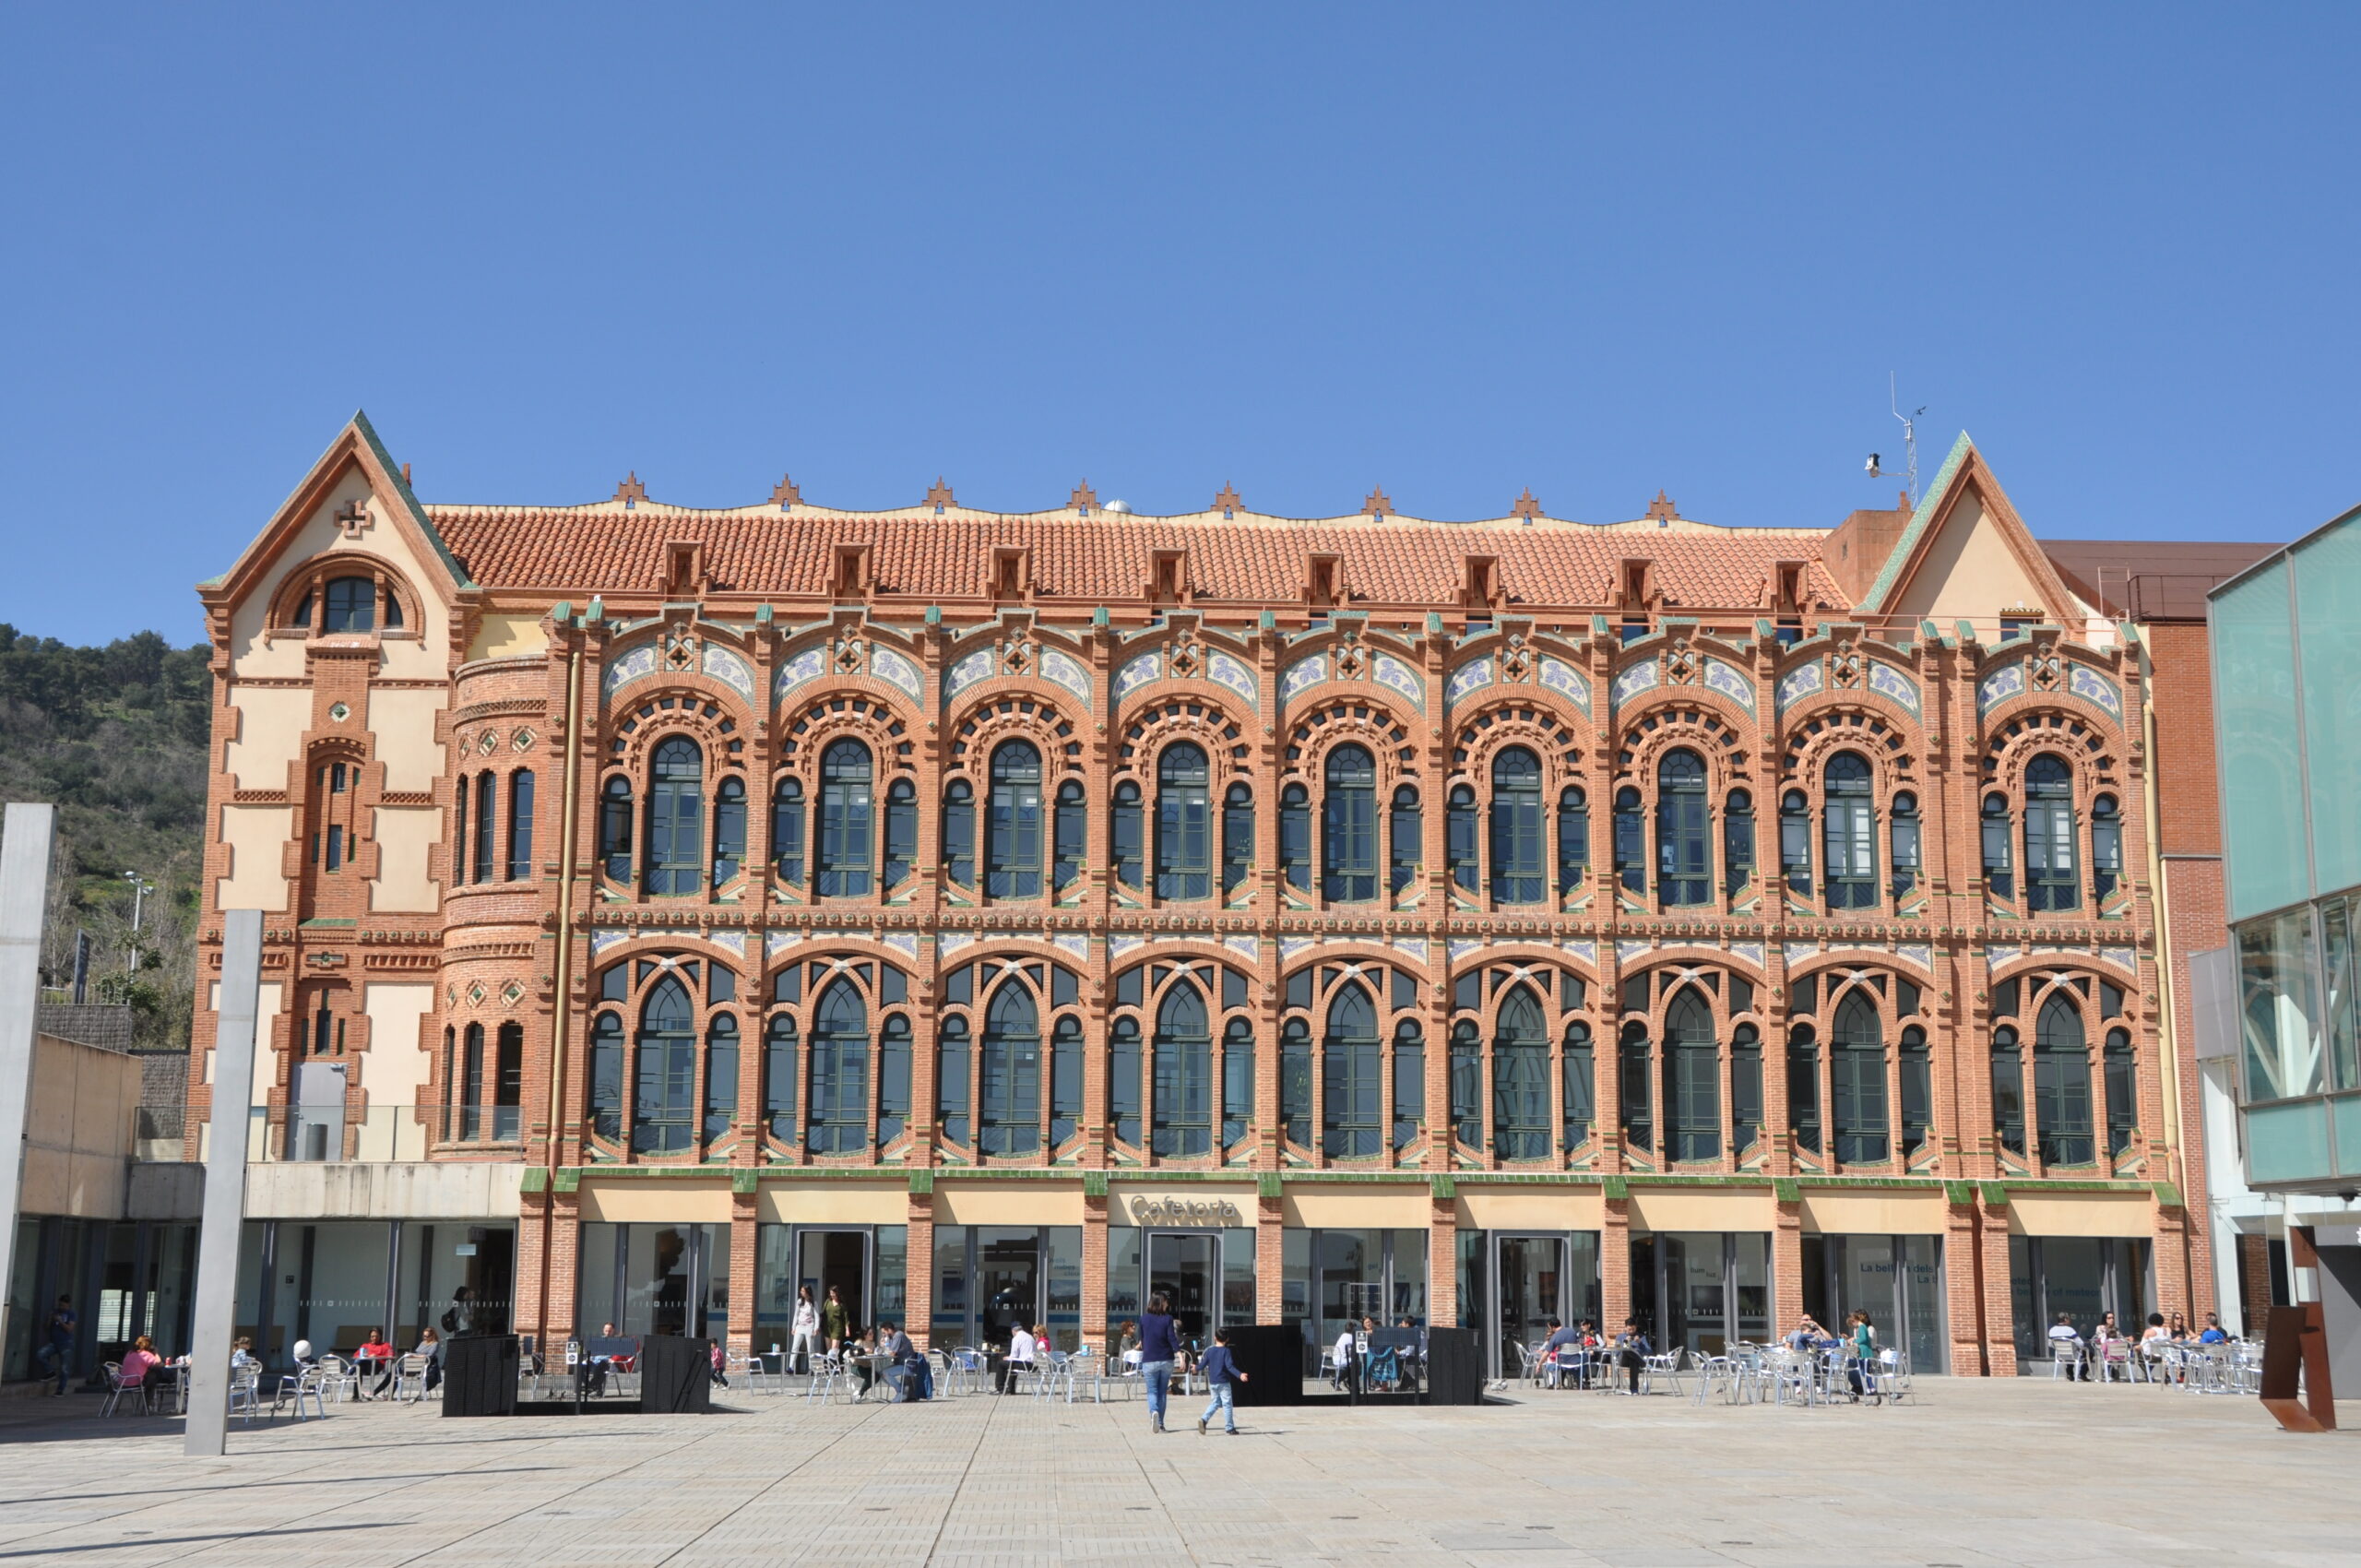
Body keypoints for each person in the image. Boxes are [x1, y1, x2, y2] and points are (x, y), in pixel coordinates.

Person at [1195, 1326, 1250, 1435]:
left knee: (1215, 1403)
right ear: (1227, 1339)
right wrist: (1240, 1375)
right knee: (1227, 1404)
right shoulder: (1226, 1351)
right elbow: (1229, 1367)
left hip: (1213, 1382)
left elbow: (1203, 1364)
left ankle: (1204, 1419)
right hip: (1223, 1382)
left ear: (1215, 1338)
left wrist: (1195, 1368)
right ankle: (1230, 1428)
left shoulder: (1209, 1351)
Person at [1138, 1292, 1180, 1432]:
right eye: (1166, 1302)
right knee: (1162, 1392)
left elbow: (1142, 1340)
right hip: (1166, 1359)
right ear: (1161, 1303)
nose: (1168, 1304)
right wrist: (1179, 1354)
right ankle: (1161, 1424)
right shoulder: (1168, 1319)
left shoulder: (1143, 1319)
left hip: (1149, 1360)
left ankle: (1154, 1412)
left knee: (1152, 1392)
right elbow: (1171, 1338)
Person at [879, 1320, 931, 1401]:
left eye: (884, 1332)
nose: (883, 1335)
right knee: (881, 1374)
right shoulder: (891, 1338)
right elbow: (890, 1351)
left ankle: (901, 1392)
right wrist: (884, 1345)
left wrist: (884, 1346)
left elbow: (892, 1353)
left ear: (889, 1330)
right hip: (901, 1364)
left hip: (908, 1366)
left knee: (885, 1373)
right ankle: (902, 1390)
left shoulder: (898, 1335)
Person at [35, 1294, 76, 1396]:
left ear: (68, 1305)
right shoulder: (55, 1312)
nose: (61, 1307)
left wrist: (60, 1321)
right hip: (54, 1343)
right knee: (40, 1355)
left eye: (64, 1306)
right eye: (60, 1305)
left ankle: (60, 1390)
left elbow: (69, 1329)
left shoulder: (71, 1314)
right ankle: (51, 1371)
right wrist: (50, 1319)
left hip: (66, 1344)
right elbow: (46, 1327)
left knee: (64, 1368)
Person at [1538, 1316, 1581, 1389]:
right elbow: (1578, 1343)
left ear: (1553, 1327)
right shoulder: (1571, 1331)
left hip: (1563, 1361)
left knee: (1557, 1361)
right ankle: (1579, 1379)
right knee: (1586, 1358)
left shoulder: (1555, 1337)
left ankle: (1556, 1382)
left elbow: (1547, 1353)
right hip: (1576, 1360)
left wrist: (1539, 1364)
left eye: (1549, 1327)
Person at [1612, 1316, 1651, 1394]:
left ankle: (1634, 1390)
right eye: (1629, 1329)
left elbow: (1649, 1351)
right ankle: (1643, 1363)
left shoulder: (1641, 1337)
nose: (1631, 1331)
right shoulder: (1620, 1337)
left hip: (1634, 1360)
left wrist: (1640, 1342)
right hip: (1623, 1360)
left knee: (1634, 1361)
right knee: (1627, 1350)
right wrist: (1626, 1342)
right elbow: (1616, 1352)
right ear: (1625, 1327)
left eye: (1633, 1329)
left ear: (1636, 1327)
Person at [790, 1286, 821, 1375]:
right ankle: (791, 1367)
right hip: (800, 1326)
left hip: (809, 1327)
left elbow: (817, 1316)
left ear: (807, 1292)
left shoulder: (813, 1303)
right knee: (795, 1347)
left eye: (803, 1291)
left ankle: (811, 1369)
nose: (801, 1293)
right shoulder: (799, 1302)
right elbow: (796, 1315)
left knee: (810, 1349)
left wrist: (816, 1328)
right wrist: (793, 1327)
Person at [357, 1328, 397, 1396]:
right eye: (372, 1336)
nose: (374, 1338)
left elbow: (391, 1355)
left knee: (357, 1365)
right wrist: (369, 1356)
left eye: (377, 1336)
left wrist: (376, 1356)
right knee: (358, 1366)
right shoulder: (365, 1346)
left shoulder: (385, 1346)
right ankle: (356, 1395)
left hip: (377, 1366)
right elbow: (356, 1355)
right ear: (370, 1337)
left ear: (380, 1336)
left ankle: (349, 1372)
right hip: (365, 1366)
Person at [2047, 1312, 2086, 1379]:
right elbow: (2081, 1343)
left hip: (2060, 1355)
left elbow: (2050, 1344)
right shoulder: (2070, 1330)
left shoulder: (2052, 1330)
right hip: (2072, 1354)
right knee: (2089, 1355)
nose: (2070, 1320)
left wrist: (2059, 1348)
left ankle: (2070, 1373)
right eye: (2069, 1319)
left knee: (2071, 1352)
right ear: (2065, 1319)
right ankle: (2082, 1374)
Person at [1003, 1321, 1038, 1393]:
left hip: (1025, 1364)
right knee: (1012, 1364)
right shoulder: (1030, 1336)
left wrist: (1008, 1358)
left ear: (1013, 1330)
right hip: (1034, 1365)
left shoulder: (1016, 1338)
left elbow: (1014, 1355)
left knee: (1001, 1364)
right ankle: (1011, 1389)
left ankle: (1000, 1387)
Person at [821, 1285, 851, 1352]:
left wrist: (847, 1330)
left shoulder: (842, 1304)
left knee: (834, 1348)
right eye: (830, 1293)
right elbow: (823, 1313)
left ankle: (833, 1361)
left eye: (833, 1293)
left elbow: (846, 1317)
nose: (831, 1295)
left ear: (837, 1293)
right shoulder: (828, 1301)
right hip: (827, 1327)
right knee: (829, 1348)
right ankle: (831, 1362)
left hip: (837, 1327)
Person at [417, 1326, 444, 1394]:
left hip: (427, 1367)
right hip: (417, 1365)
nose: (425, 1337)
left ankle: (424, 1391)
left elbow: (430, 1355)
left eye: (427, 1336)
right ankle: (389, 1394)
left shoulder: (435, 1344)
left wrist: (417, 1356)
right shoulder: (422, 1343)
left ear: (432, 1336)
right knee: (394, 1373)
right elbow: (417, 1352)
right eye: (424, 1336)